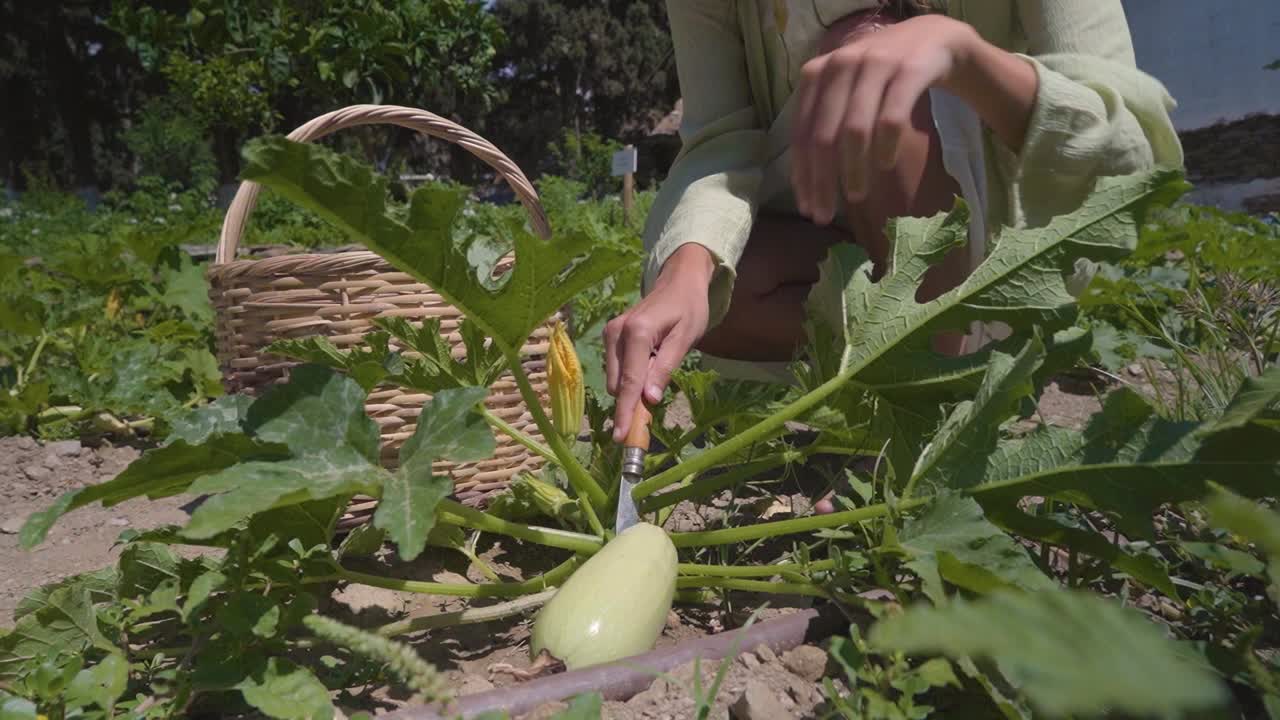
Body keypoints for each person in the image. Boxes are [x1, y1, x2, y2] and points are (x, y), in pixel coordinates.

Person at [604, 0, 1183, 450]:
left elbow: (1136, 161)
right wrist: (687, 267)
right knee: (719, 289)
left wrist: (965, 58)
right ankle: (878, 384)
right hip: (824, 242)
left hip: (989, 262)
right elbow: (719, 138)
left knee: (874, 62)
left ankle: (928, 411)